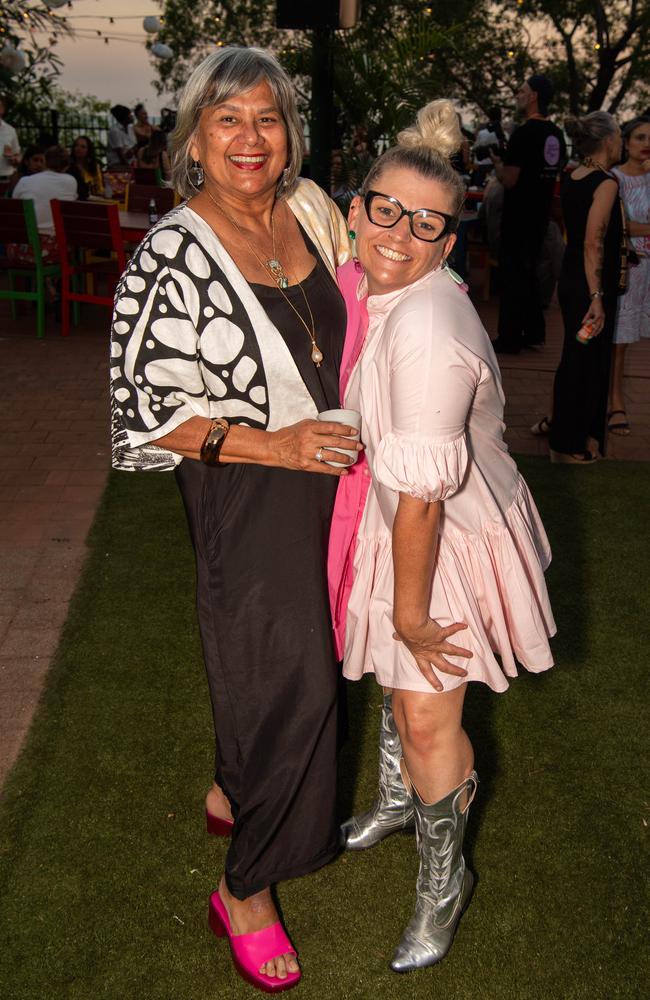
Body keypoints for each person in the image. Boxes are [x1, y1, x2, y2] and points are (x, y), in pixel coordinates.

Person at [109, 46, 354, 992]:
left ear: (288, 134)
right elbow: (148, 406)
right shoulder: (172, 248)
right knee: (290, 673)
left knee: (292, 649)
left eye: (268, 117)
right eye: (227, 119)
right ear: (194, 142)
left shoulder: (309, 212)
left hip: (334, 472)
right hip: (249, 484)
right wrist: (278, 444)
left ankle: (229, 786)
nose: (251, 138)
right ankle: (244, 886)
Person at [330, 99, 555, 974]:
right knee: (404, 693)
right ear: (355, 210)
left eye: (428, 224)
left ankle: (442, 881)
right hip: (412, 517)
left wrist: (415, 616)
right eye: (384, 209)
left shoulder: (425, 326)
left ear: (448, 244)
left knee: (428, 717)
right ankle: (395, 800)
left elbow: (421, 499)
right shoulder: (381, 288)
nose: (400, 233)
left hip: (444, 534)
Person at [545, 112, 623, 463]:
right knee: (583, 360)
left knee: (575, 355)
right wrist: (597, 297)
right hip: (589, 284)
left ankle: (568, 431)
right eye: (620, 136)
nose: (621, 142)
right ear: (608, 141)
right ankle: (567, 444)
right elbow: (594, 241)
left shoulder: (573, 175)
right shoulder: (605, 183)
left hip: (573, 275)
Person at [491, 74, 566, 353]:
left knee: (512, 274)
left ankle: (510, 337)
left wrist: (499, 165)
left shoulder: (524, 134)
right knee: (532, 272)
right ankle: (533, 331)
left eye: (521, 91)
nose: (518, 96)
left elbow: (510, 179)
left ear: (534, 95)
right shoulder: (556, 135)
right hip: (540, 214)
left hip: (518, 216)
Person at [608, 116, 650, 435]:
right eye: (640, 137)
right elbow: (618, 226)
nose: (646, 143)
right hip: (630, 266)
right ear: (625, 141)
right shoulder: (615, 179)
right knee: (620, 339)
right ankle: (615, 402)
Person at [10, 145, 77, 264]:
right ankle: (55, 281)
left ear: (45, 161)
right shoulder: (70, 181)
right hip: (50, 249)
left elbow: (14, 208)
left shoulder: (24, 181)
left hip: (18, 248)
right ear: (66, 166)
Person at [68, 135, 104, 199]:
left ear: (88, 150)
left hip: (92, 200)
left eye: (83, 147)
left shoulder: (94, 166)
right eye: (76, 145)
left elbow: (99, 189)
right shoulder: (67, 165)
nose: (78, 148)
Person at [106, 104, 135, 169]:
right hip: (118, 165)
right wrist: (128, 168)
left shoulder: (130, 129)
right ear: (125, 117)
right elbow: (120, 154)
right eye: (130, 114)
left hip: (130, 163)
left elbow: (133, 145)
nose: (132, 116)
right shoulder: (114, 131)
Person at [0, 96, 20, 184]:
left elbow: (17, 153)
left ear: (3, 109)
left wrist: (14, 159)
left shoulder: (10, 130)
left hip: (5, 179)